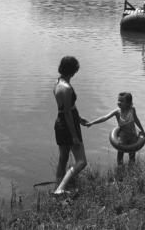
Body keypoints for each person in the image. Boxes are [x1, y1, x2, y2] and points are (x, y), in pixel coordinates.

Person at [53, 56, 88, 195]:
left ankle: (58, 185)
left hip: (60, 122)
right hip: (68, 124)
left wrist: (78, 118)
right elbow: (67, 113)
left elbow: (65, 108)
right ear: (73, 71)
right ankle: (61, 189)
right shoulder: (67, 88)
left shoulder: (57, 83)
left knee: (63, 157)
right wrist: (74, 135)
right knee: (81, 161)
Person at [86, 92, 145, 166]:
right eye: (118, 100)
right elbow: (105, 118)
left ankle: (131, 170)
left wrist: (142, 130)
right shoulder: (117, 112)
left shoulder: (132, 109)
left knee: (132, 155)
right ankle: (120, 169)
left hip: (133, 135)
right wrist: (92, 123)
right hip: (122, 136)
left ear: (128, 103)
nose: (119, 102)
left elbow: (136, 120)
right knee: (120, 154)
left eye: (121, 101)